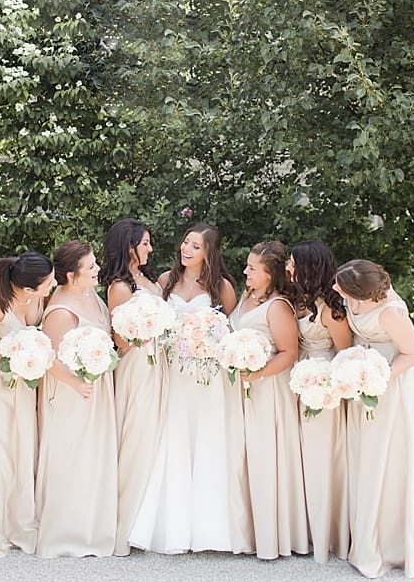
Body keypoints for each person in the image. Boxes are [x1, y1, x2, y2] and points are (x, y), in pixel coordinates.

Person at [127, 223, 253, 555]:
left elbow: (229, 330)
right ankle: (172, 527)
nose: (186, 249)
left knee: (208, 438)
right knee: (174, 437)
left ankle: (212, 528)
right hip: (173, 373)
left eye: (195, 246)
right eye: (185, 242)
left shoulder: (221, 286)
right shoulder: (166, 281)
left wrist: (207, 343)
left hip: (207, 377)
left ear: (208, 252)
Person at [335, 259, 414, 578]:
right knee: (367, 454)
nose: (334, 288)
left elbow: (411, 354)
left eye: (339, 285)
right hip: (363, 376)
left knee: (391, 455)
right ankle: (366, 529)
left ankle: (393, 540)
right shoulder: (352, 297)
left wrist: (377, 378)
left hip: (395, 383)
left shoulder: (390, 313)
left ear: (360, 290)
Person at [33, 240, 118, 558]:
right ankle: (69, 531)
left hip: (96, 390)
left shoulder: (91, 295)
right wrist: (76, 383)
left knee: (95, 455)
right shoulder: (60, 311)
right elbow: (47, 358)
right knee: (73, 455)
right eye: (91, 266)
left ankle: (96, 525)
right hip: (72, 392)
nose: (97, 269)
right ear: (70, 274)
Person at [0, 251, 54, 559]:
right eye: (49, 280)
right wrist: (9, 363)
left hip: (22, 384)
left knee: (21, 450)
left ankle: (20, 523)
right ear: (30, 288)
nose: (54, 283)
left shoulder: (39, 300)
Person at [229, 241, 309, 560]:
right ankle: (247, 530)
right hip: (243, 388)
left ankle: (272, 536)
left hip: (267, 391)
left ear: (270, 274)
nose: (245, 272)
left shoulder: (277, 306)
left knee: (266, 458)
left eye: (252, 268)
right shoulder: (248, 297)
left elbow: (289, 353)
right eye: (247, 266)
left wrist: (256, 374)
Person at [100, 219, 166, 557]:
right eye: (145, 244)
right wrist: (149, 330)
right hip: (138, 367)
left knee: (156, 438)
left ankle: (149, 523)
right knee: (137, 438)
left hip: (158, 364)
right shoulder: (120, 287)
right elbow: (121, 341)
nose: (150, 249)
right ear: (129, 246)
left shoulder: (147, 280)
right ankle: (126, 525)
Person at [287, 239, 351, 563]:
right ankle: (305, 530)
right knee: (300, 458)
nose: (288, 268)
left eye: (293, 263)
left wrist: (324, 384)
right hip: (298, 383)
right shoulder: (299, 301)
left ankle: (326, 533)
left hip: (323, 390)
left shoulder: (331, 308)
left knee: (320, 459)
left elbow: (345, 354)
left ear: (308, 267)